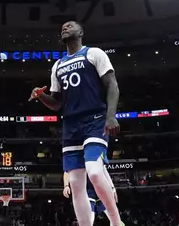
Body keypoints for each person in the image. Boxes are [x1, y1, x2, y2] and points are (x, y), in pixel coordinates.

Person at [29, 21, 123, 226]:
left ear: (81, 32)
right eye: (62, 26)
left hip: (95, 119)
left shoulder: (94, 53)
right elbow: (56, 104)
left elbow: (112, 85)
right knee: (75, 183)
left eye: (70, 26)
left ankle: (116, 222)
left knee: (95, 172)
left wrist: (111, 115)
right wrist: (41, 95)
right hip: (71, 125)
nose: (64, 28)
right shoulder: (58, 66)